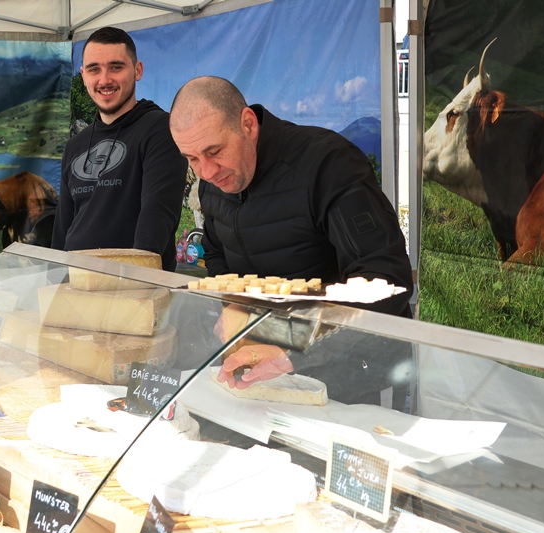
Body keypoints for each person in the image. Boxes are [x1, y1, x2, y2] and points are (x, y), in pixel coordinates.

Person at [169, 77, 415, 406]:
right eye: (192, 158)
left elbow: (385, 277)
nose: (207, 171)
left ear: (247, 124)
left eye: (215, 151)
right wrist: (234, 303)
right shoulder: (212, 184)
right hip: (267, 369)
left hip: (355, 373)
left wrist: (295, 344)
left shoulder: (328, 164)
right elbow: (216, 251)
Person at [52, 26, 188, 271]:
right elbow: (62, 229)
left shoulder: (160, 130)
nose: (105, 80)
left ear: (137, 70)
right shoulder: (75, 146)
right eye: (94, 69)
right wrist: (55, 277)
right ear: (83, 75)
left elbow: (157, 218)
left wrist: (134, 280)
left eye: (116, 67)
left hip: (133, 285)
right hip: (77, 283)